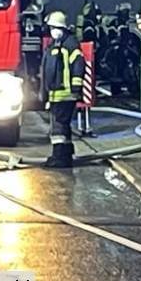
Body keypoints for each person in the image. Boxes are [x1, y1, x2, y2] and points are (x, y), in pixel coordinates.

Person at [41, 11, 85, 168]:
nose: (52, 31)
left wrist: (76, 87)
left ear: (62, 28)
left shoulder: (70, 45)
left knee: (58, 127)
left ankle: (59, 157)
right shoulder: (55, 45)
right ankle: (65, 155)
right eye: (51, 28)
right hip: (56, 94)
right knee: (62, 126)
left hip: (66, 94)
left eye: (54, 28)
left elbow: (78, 65)